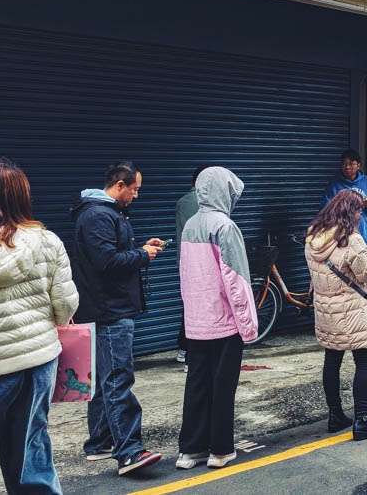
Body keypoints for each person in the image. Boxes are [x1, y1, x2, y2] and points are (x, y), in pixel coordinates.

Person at [0, 160, 79, 494]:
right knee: (29, 448)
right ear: (23, 198)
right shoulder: (47, 241)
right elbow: (65, 306)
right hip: (37, 361)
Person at [71, 161, 165, 475]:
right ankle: (129, 452)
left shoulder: (104, 213)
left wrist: (140, 248)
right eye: (135, 189)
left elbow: (109, 254)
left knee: (102, 380)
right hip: (110, 310)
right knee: (117, 380)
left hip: (105, 307)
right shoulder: (99, 214)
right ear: (120, 185)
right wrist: (142, 256)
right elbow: (106, 262)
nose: (136, 196)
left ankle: (99, 443)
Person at [176, 167, 258, 470]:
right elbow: (237, 281)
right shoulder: (225, 227)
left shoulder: (190, 225)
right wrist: (248, 327)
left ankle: (190, 450)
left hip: (196, 321)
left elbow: (184, 273)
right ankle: (220, 450)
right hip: (224, 322)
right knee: (223, 386)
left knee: (196, 383)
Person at [306, 189, 367, 439]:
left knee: (332, 361)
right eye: (359, 211)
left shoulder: (313, 236)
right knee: (364, 362)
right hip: (352, 311)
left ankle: (335, 415)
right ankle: (361, 420)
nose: (361, 215)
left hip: (326, 312)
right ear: (351, 212)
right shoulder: (351, 239)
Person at [320, 149, 367, 333]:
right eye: (344, 163)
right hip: (341, 242)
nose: (347, 167)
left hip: (364, 239)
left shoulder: (366, 182)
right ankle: (347, 323)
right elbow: (325, 212)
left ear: (358, 165)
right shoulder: (335, 185)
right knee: (345, 283)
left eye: (351, 163)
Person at [174, 165, 211, 368]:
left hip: (185, 262)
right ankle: (190, 352)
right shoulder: (208, 204)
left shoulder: (182, 202)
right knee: (202, 309)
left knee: (189, 306)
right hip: (204, 263)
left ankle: (183, 347)